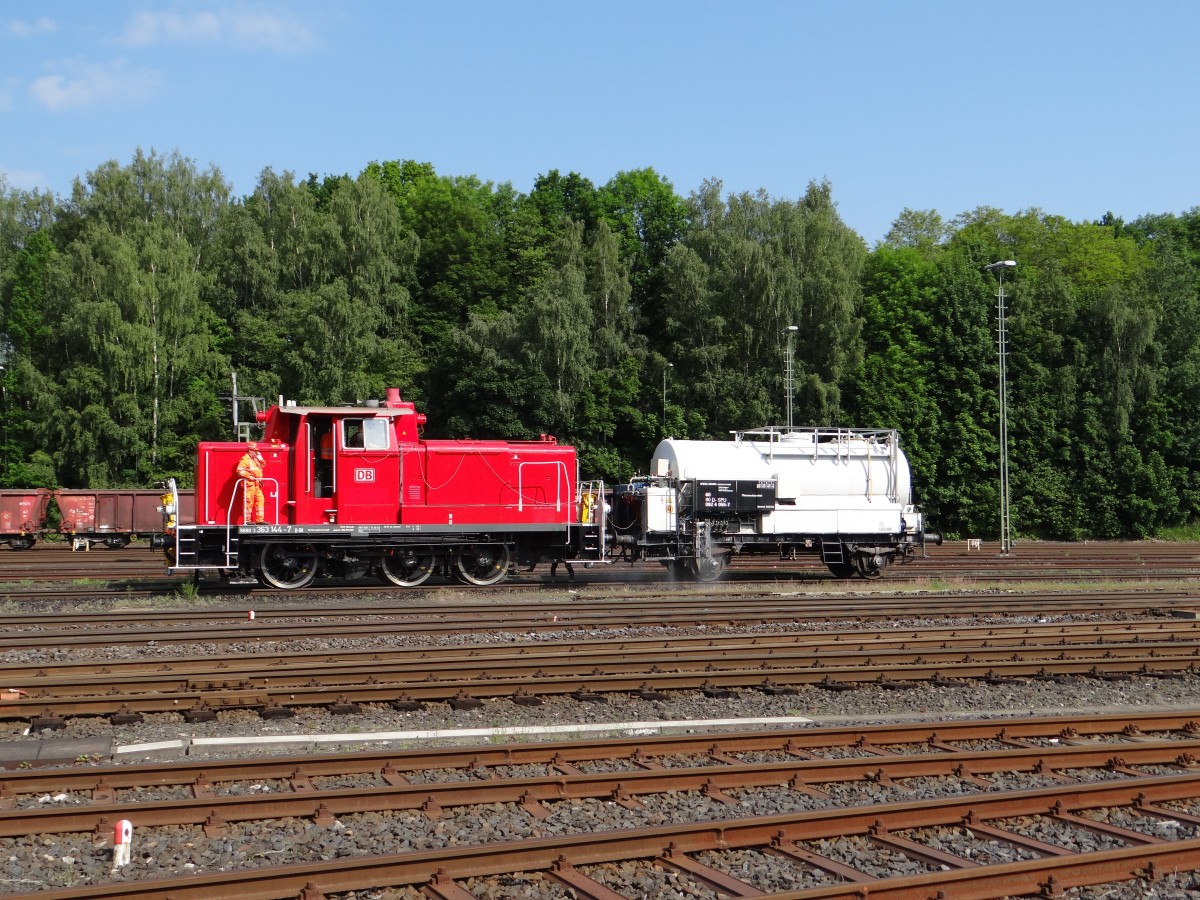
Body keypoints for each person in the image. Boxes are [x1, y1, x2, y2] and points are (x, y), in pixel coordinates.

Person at [236, 441, 267, 524]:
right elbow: (240, 471)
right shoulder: (245, 459)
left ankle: (260, 520)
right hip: (249, 485)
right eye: (255, 451)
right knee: (248, 502)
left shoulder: (255, 459)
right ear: (250, 451)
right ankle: (247, 520)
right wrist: (250, 477)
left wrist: (260, 458)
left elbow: (263, 465)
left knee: (260, 500)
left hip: (257, 485)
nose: (257, 452)